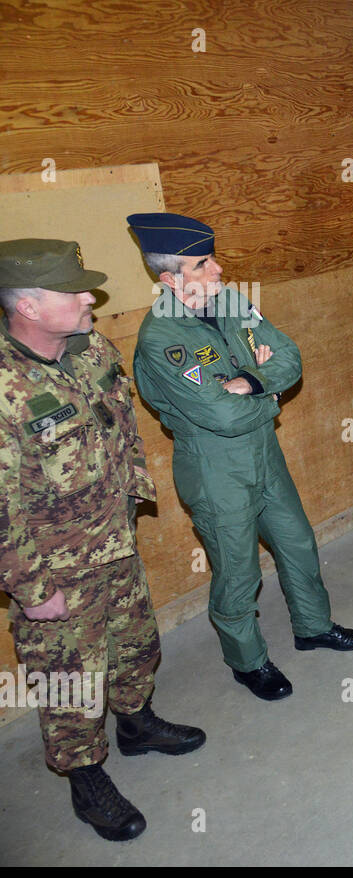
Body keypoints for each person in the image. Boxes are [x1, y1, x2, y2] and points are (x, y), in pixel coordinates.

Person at [0, 239, 205, 842]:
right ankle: (84, 774)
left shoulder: (90, 352)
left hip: (113, 542)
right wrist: (32, 589)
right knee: (70, 678)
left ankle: (137, 724)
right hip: (54, 570)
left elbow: (119, 427)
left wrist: (130, 498)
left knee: (136, 646)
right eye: (74, 291)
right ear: (30, 308)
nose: (91, 297)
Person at [128, 212, 353, 702]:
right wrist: (267, 398)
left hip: (264, 451)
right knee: (238, 571)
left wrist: (254, 383)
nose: (217, 270)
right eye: (202, 264)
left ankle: (313, 626)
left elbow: (290, 357)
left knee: (298, 541)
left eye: (213, 258)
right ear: (170, 281)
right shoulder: (163, 340)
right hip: (216, 465)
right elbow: (224, 417)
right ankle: (248, 661)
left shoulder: (232, 303)